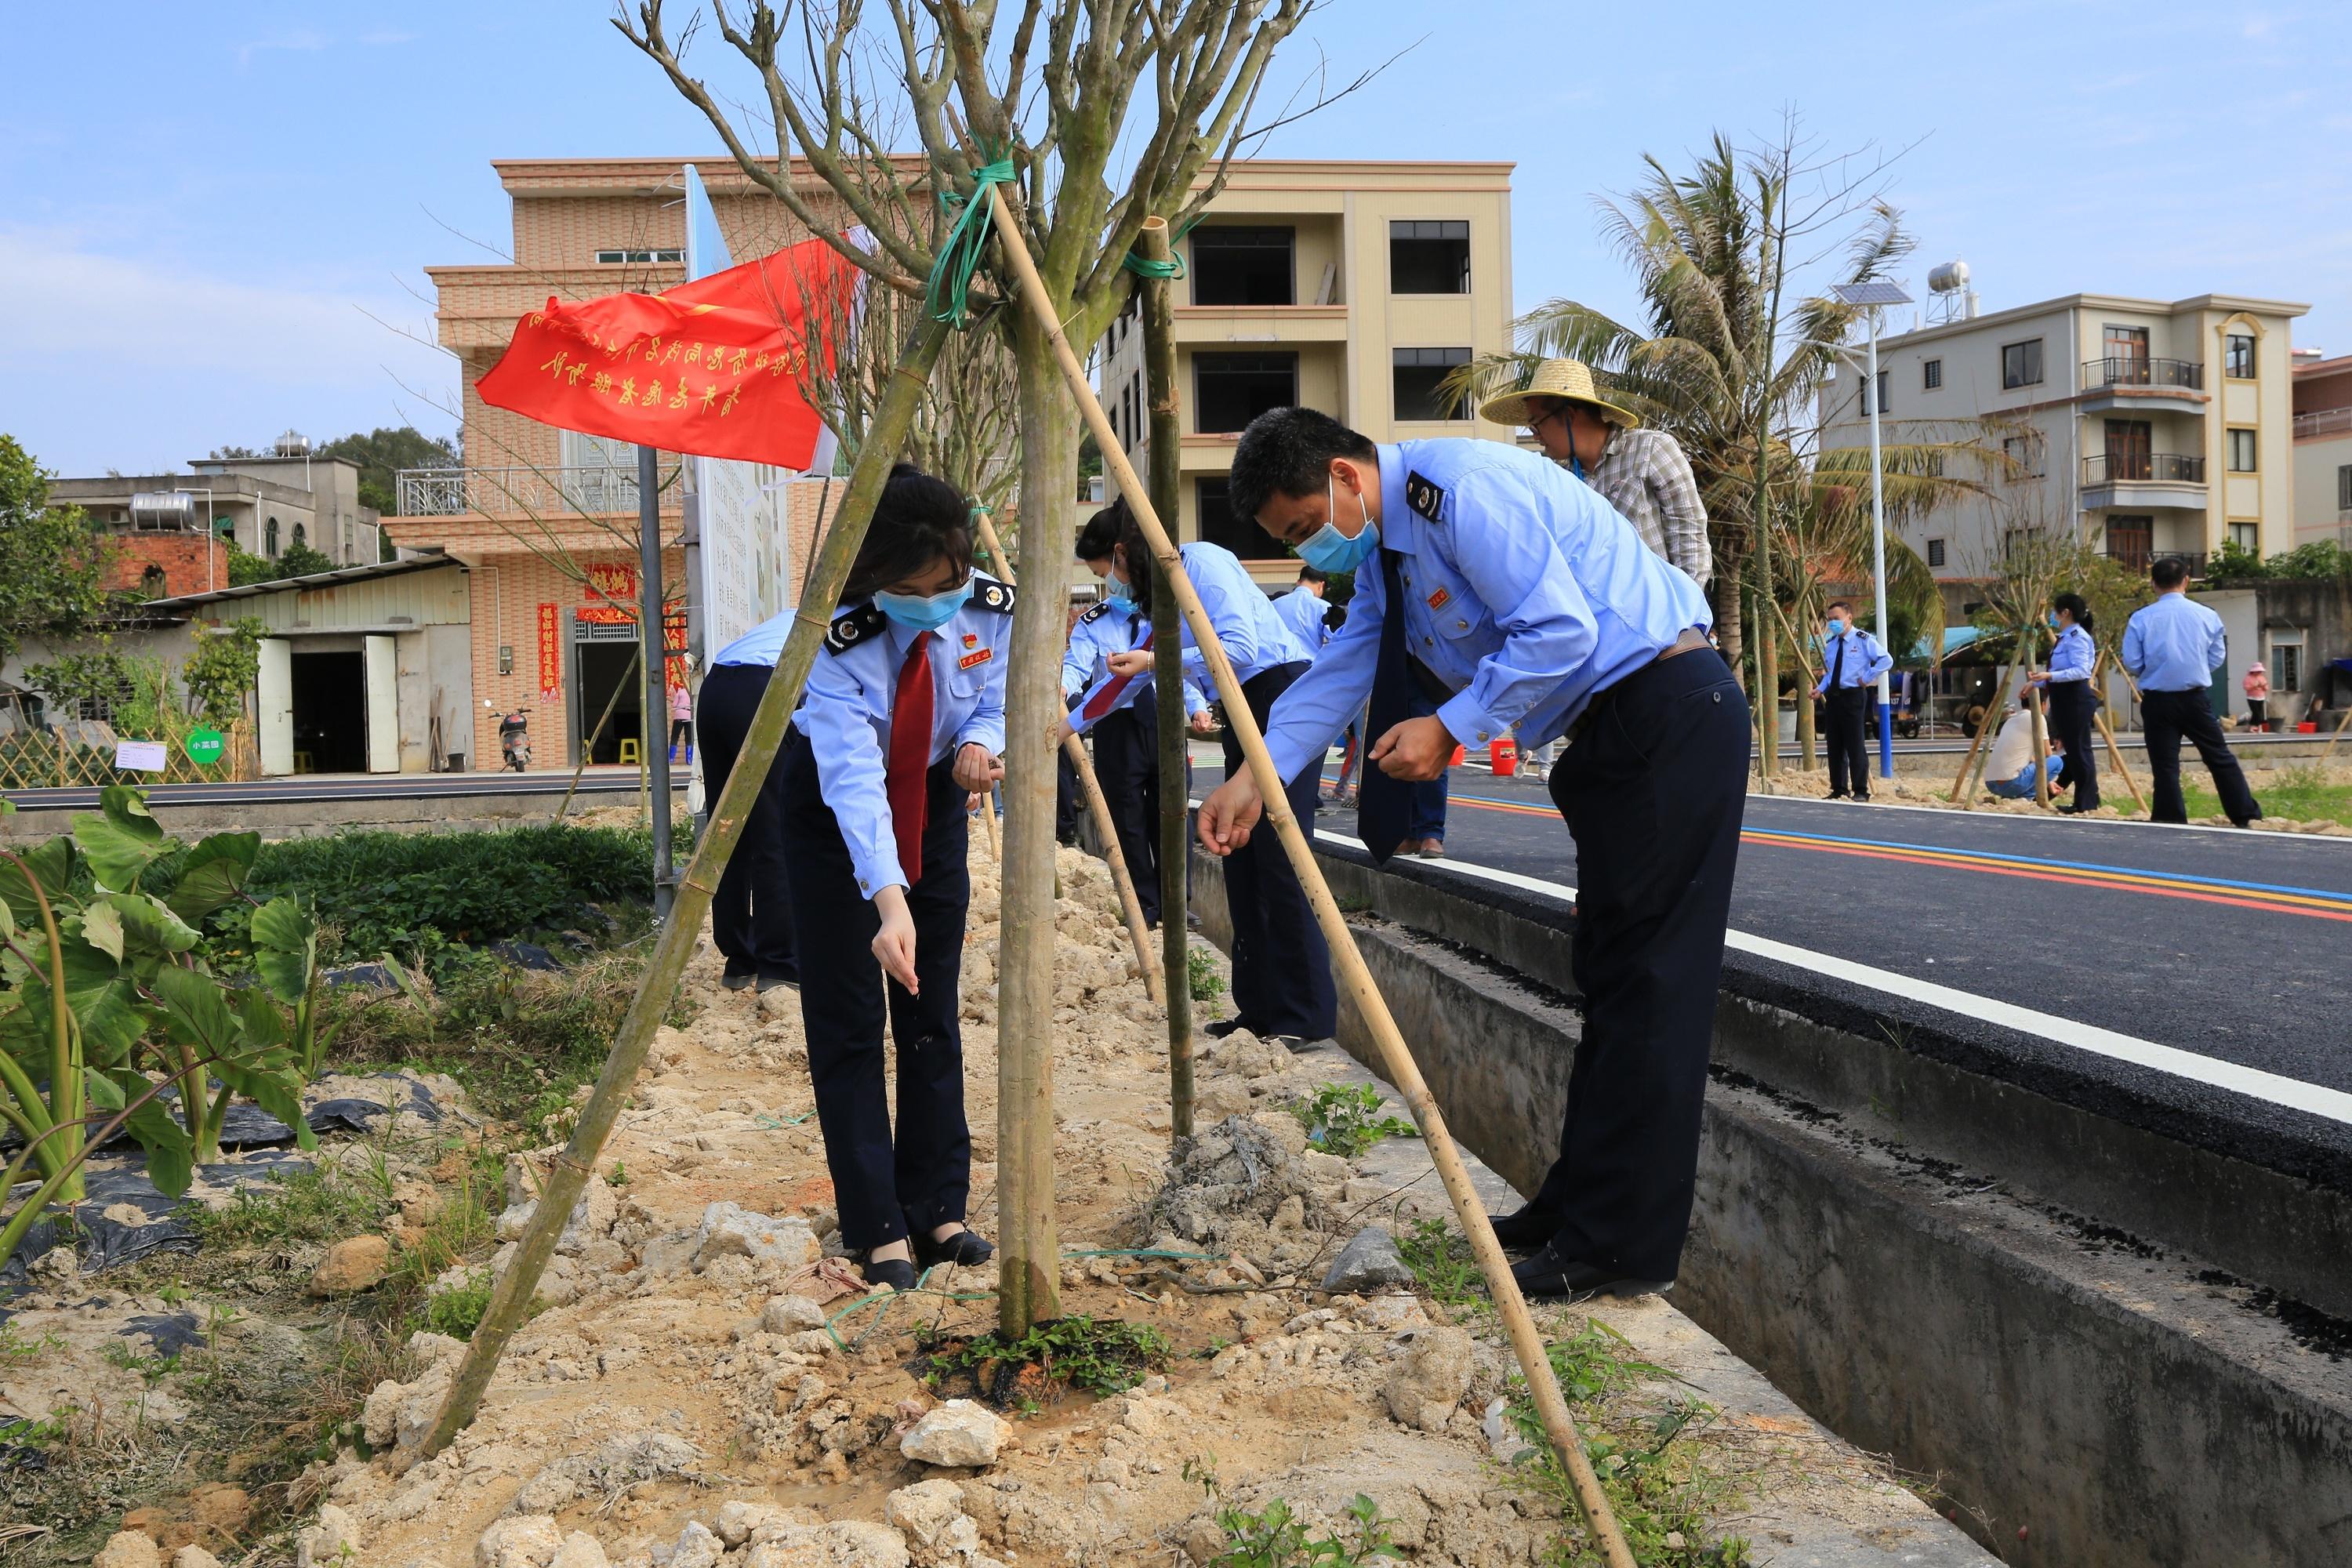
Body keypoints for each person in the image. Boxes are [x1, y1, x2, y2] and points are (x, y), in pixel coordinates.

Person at [1200, 407, 1747, 1301]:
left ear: (1344, 476)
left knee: (1654, 985)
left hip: (1667, 709)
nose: (1312, 547)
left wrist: (1450, 728)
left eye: (1304, 527)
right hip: (1617, 732)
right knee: (1611, 975)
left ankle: (1620, 1243)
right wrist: (1258, 775)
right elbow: (1345, 666)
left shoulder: (1457, 492)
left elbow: (1560, 629)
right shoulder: (1391, 547)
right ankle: (1576, 1208)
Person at [782, 463, 1009, 1290]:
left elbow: (995, 697)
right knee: (848, 1018)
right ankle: (876, 1224)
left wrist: (984, 742)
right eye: (915, 588)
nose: (938, 598)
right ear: (875, 580)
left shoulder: (988, 608)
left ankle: (938, 1206)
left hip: (937, 797)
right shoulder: (835, 644)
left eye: (948, 579)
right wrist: (886, 898)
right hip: (836, 819)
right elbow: (850, 779)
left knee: (929, 1004)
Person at [1069, 505, 1332, 1047]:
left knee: (1282, 858)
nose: (1111, 585)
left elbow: (1240, 649)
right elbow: (1122, 684)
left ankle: (1305, 1016)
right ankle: (1259, 1012)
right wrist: (1062, 727)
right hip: (1240, 708)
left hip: (1276, 697)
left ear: (1122, 552)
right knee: (1243, 860)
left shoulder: (1202, 562)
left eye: (1107, 572)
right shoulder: (1162, 591)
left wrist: (1154, 661)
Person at [1066, 505, 1215, 923]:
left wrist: (1196, 706)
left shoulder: (1164, 609)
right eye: (1101, 579)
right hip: (1117, 728)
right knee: (1128, 820)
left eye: (1106, 571)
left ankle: (1178, 903)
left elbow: (1173, 666)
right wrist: (1062, 687)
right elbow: (1076, 666)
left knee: (1173, 815)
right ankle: (1146, 905)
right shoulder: (1093, 622)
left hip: (1163, 724)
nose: (1110, 581)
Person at [1479, 357, 1713, 590]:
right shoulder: (1559, 480)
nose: (1535, 436)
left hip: (1664, 614)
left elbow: (1688, 530)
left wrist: (1687, 614)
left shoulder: (1649, 450)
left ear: (1568, 416)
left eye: (1536, 424)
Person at [2122, 558, 2263, 827]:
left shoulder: (2140, 618)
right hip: (2195, 697)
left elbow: (2132, 662)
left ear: (2153, 584)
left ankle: (2169, 817)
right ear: (2186, 581)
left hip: (2157, 699)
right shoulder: (2207, 615)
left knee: (2165, 765)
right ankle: (2245, 814)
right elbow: (2216, 656)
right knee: (2219, 757)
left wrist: (2154, 672)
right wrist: (2196, 668)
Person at [700, 623, 800, 994]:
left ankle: (740, 960)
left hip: (716, 687)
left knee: (727, 830)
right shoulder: (860, 620)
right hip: (765, 688)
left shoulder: (796, 614)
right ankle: (781, 964)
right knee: (775, 830)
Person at [2027, 593, 2100, 813]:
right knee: (2076, 751)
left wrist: (2047, 677)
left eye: (2055, 611)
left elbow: (2080, 671)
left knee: (2079, 751)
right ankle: (2087, 800)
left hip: (2075, 699)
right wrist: (2036, 683)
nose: (2052, 615)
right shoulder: (2065, 637)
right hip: (2064, 697)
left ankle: (2085, 802)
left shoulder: (2078, 637)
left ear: (2065, 612)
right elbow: (2060, 672)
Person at [1813, 601, 1893, 801]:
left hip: (1854, 696)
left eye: (1836, 619)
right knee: (1835, 744)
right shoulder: (1831, 645)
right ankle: (1839, 788)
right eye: (1830, 620)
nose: (1833, 623)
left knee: (1855, 743)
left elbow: (1886, 660)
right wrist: (1819, 689)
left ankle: (1860, 789)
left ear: (1849, 618)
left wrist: (1867, 677)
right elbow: (1831, 674)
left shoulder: (1863, 640)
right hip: (1834, 697)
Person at [1982, 691, 2065, 800]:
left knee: (2032, 763)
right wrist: (2048, 778)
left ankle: (2017, 798)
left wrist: (2049, 782)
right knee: (2057, 761)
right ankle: (2027, 797)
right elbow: (2047, 754)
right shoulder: (2037, 718)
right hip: (2010, 784)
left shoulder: (2011, 720)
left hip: (1991, 783)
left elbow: (2029, 759)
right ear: (2043, 704)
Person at [1273, 563, 1336, 653]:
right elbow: (1335, 640)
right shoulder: (1323, 607)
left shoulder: (1275, 604)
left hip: (1276, 664)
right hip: (1308, 664)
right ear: (1321, 586)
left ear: (1298, 582)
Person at [667, 679, 694, 762]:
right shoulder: (692, 693)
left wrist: (671, 699)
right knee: (689, 737)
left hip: (679, 715)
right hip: (689, 715)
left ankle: (671, 759)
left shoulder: (680, 691)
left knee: (675, 737)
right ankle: (689, 760)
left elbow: (675, 704)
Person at [2243, 662, 2270, 731]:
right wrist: (2254, 686)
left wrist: (2263, 686)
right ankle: (2258, 725)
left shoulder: (2262, 678)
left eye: (2260, 671)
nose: (2259, 672)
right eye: (2258, 671)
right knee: (2256, 712)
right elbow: (2246, 687)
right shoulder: (2248, 678)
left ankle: (2251, 725)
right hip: (2251, 697)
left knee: (2258, 712)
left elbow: (2266, 687)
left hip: (2261, 697)